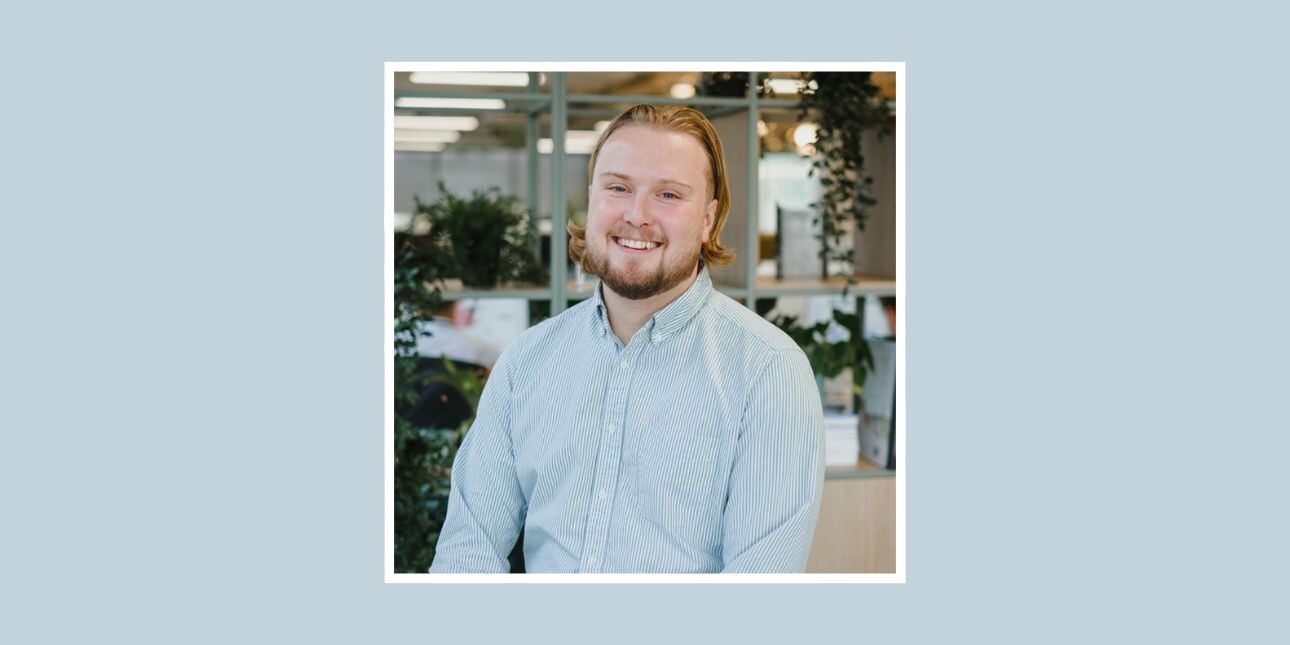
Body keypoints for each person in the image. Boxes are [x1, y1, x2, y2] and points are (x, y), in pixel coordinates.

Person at [429, 104, 824, 573]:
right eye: (618, 188)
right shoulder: (527, 360)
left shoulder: (769, 371)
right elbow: (468, 547)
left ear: (707, 219)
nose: (637, 215)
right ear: (592, 199)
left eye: (668, 194)